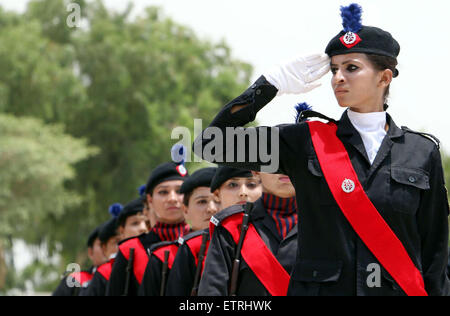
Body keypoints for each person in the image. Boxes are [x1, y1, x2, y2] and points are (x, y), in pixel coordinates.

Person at [193, 3, 450, 296]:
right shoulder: (305, 141)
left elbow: (434, 254)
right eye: (334, 69)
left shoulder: (421, 152)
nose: (338, 77)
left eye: (351, 68)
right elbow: (211, 145)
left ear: (384, 77)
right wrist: (269, 85)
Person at [198, 172, 298, 296]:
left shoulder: (326, 222)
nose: (283, 168)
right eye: (275, 160)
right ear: (256, 172)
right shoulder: (232, 225)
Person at [106, 161, 190, 296]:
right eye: (163, 192)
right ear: (150, 200)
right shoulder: (131, 250)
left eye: (179, 191)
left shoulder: (203, 243)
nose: (172, 198)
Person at [147, 167, 219, 296]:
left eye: (218, 201)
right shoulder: (163, 257)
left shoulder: (242, 248)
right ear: (185, 210)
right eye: (202, 201)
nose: (211, 209)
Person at [82, 199, 148, 296]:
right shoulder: (105, 272)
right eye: (135, 223)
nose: (143, 228)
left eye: (147, 223)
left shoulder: (159, 256)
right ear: (122, 231)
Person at [52, 225, 105, 296]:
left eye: (116, 242)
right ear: (90, 252)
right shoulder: (74, 281)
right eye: (101, 245)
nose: (107, 248)